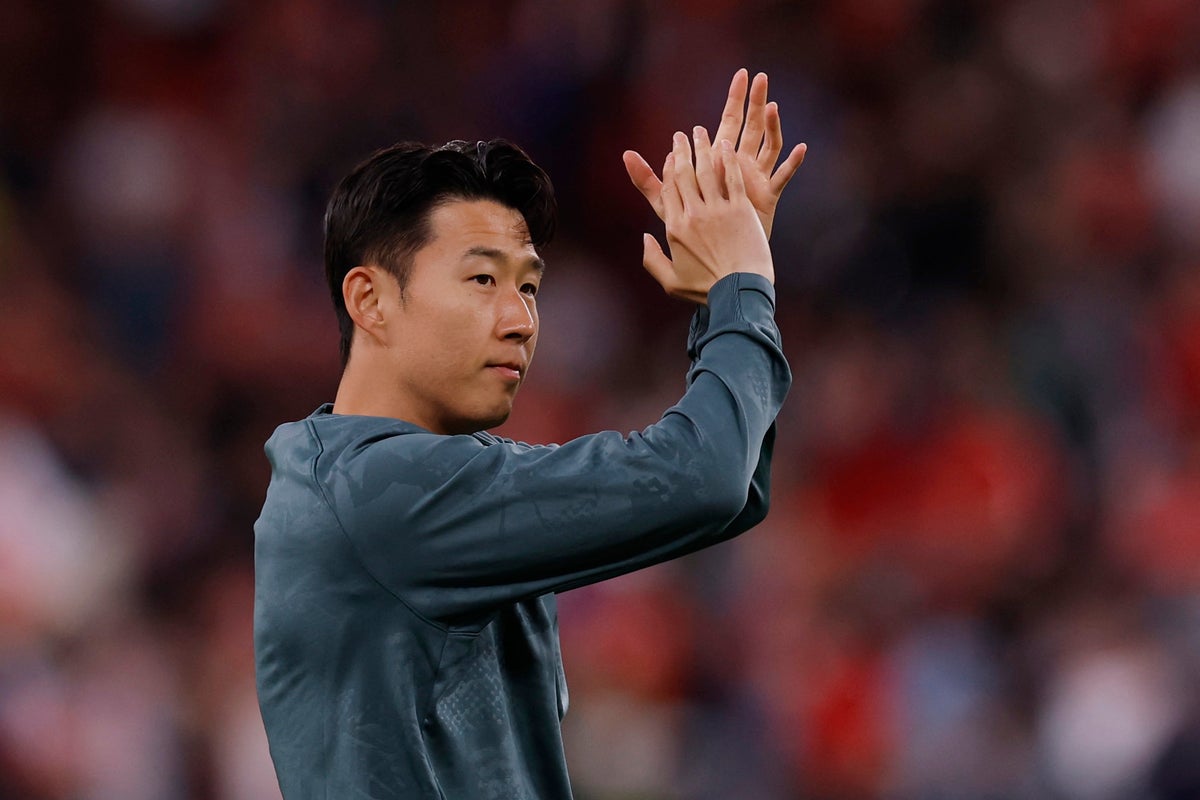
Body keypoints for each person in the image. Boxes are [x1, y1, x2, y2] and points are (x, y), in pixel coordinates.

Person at [254, 69, 806, 799]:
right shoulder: (375, 493)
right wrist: (741, 285)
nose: (520, 320)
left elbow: (733, 491)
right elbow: (708, 478)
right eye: (483, 280)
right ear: (371, 299)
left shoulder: (395, 484)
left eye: (529, 287)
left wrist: (725, 299)